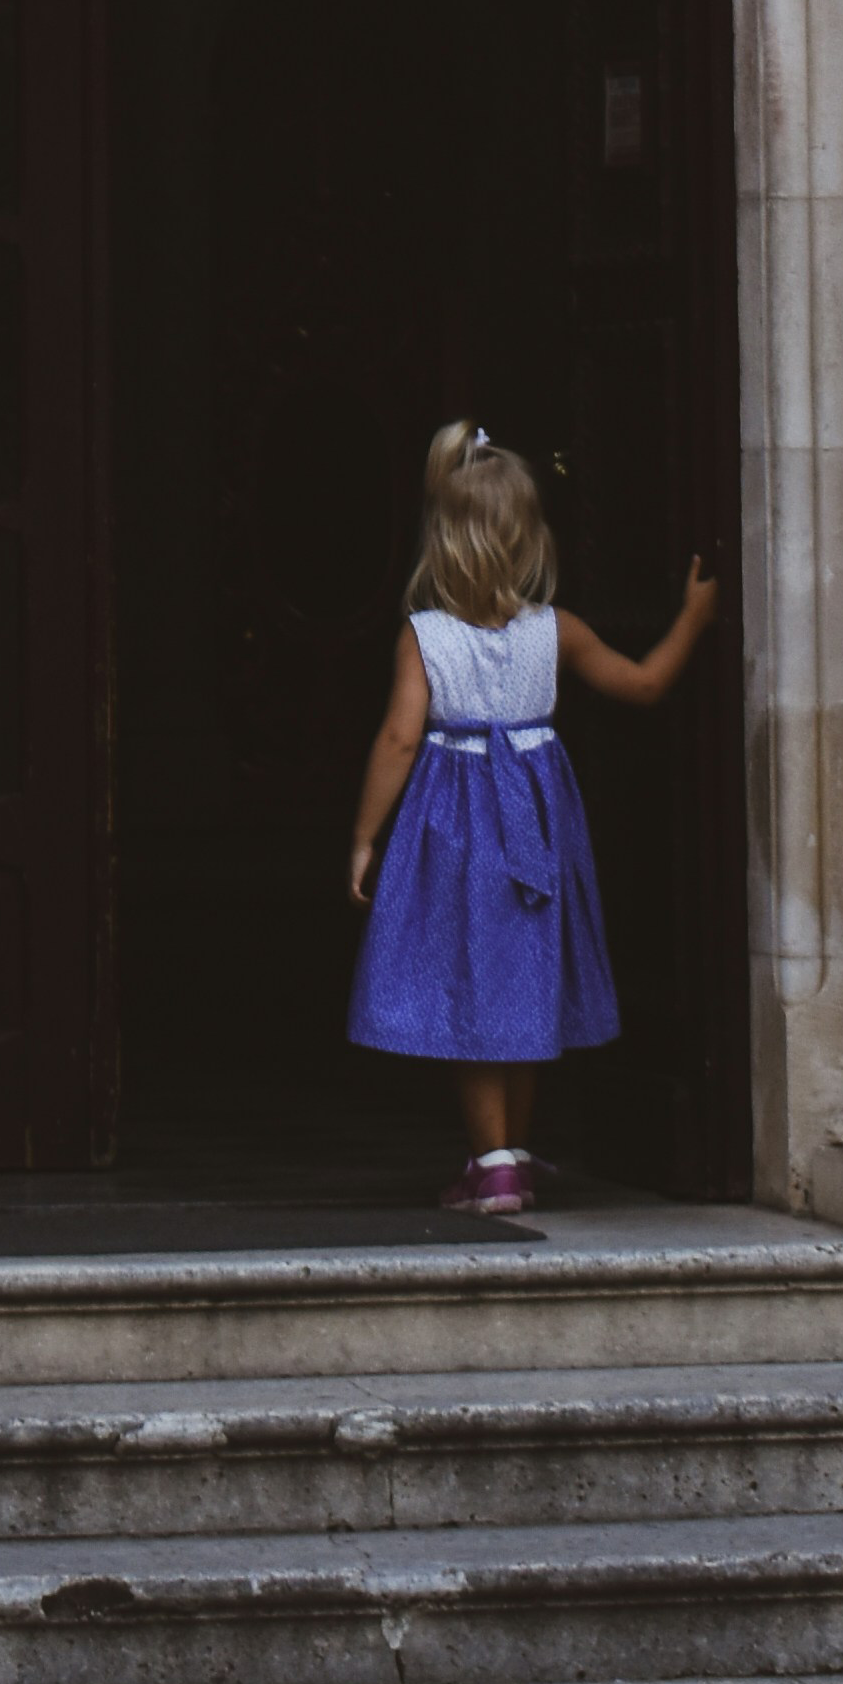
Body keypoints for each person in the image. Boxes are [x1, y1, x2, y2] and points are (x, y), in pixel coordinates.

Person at [344, 421, 720, 1216]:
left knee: (473, 989)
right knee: (522, 982)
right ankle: (506, 1155)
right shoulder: (557, 630)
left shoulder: (425, 637)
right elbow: (646, 685)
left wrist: (364, 837)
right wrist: (692, 616)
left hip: (456, 822)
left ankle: (493, 1162)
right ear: (530, 539)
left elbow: (401, 736)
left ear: (443, 539)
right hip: (537, 821)